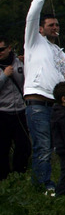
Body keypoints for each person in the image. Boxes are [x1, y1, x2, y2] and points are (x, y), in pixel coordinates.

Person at [24, 0, 65, 193]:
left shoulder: (59, 52)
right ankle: (44, 186)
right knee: (43, 147)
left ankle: (52, 184)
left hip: (55, 106)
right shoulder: (34, 43)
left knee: (55, 148)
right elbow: (31, 17)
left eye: (57, 24)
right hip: (37, 103)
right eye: (51, 25)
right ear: (41, 29)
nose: (55, 27)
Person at [0, 37, 31, 180]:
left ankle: (20, 175)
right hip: (2, 113)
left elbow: (29, 82)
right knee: (3, 149)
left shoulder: (19, 63)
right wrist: (4, 76)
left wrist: (28, 64)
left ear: (9, 48)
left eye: (1, 49)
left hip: (20, 111)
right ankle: (4, 179)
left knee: (24, 146)